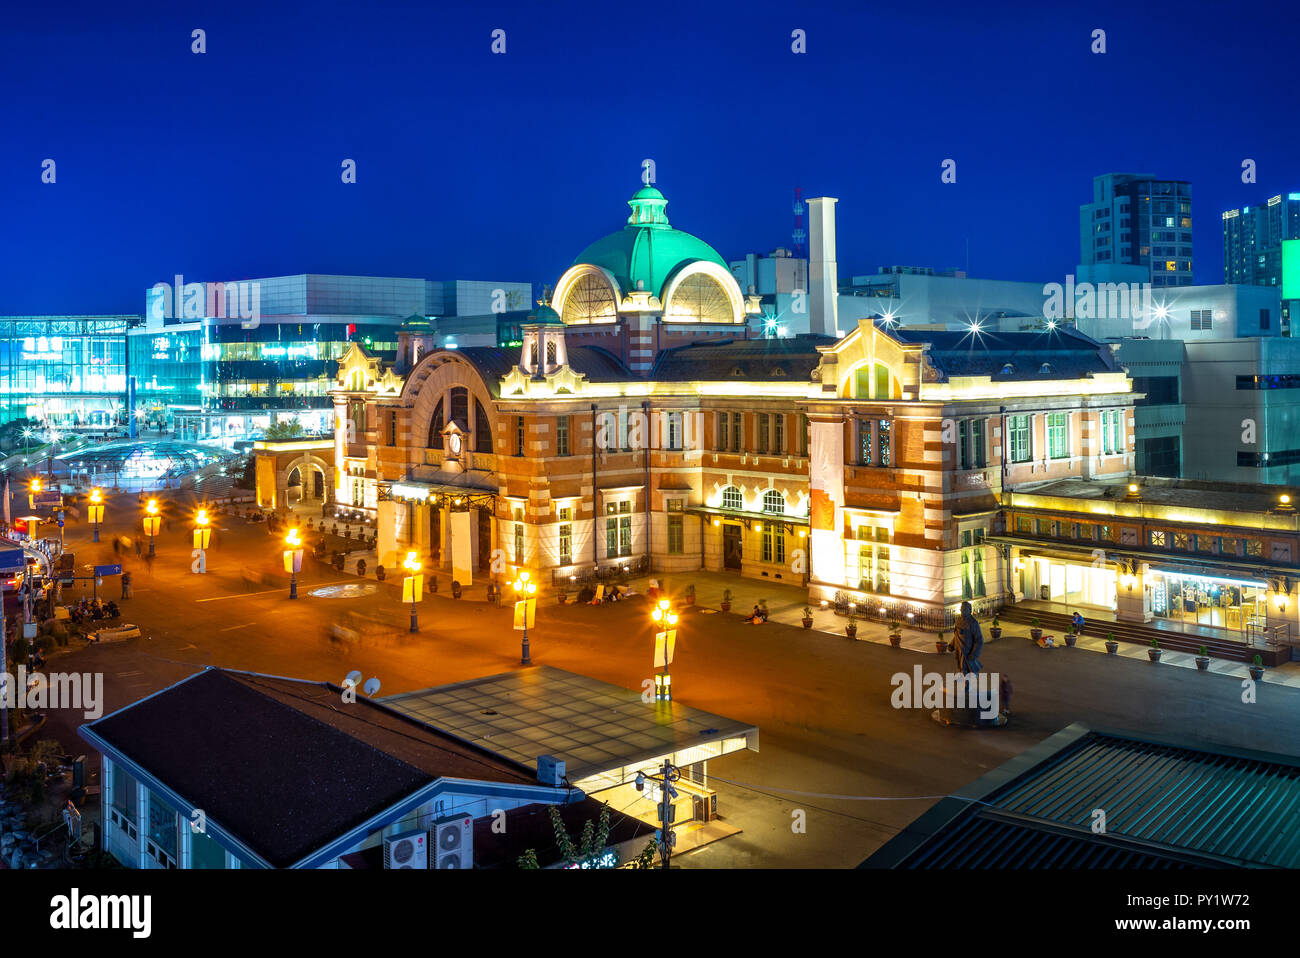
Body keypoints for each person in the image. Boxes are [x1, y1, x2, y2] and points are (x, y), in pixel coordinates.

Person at [953, 600, 984, 676]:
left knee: (965, 667)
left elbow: (979, 640)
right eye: (961, 609)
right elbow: (956, 635)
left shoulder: (973, 623)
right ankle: (964, 679)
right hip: (959, 649)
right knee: (960, 665)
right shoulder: (958, 620)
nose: (962, 611)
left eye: (964, 609)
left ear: (969, 610)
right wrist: (952, 644)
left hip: (967, 650)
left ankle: (967, 684)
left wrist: (974, 654)